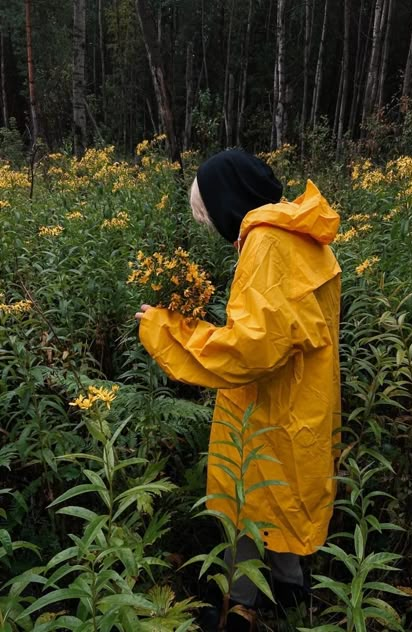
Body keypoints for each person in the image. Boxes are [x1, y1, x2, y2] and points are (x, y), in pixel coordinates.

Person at [135, 149, 341, 631]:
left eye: (210, 216)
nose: (216, 230)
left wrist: (169, 330)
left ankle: (238, 603)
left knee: (250, 497)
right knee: (285, 493)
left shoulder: (267, 244)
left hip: (268, 405)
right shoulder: (305, 233)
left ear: (227, 202)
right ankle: (290, 585)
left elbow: (250, 351)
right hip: (304, 398)